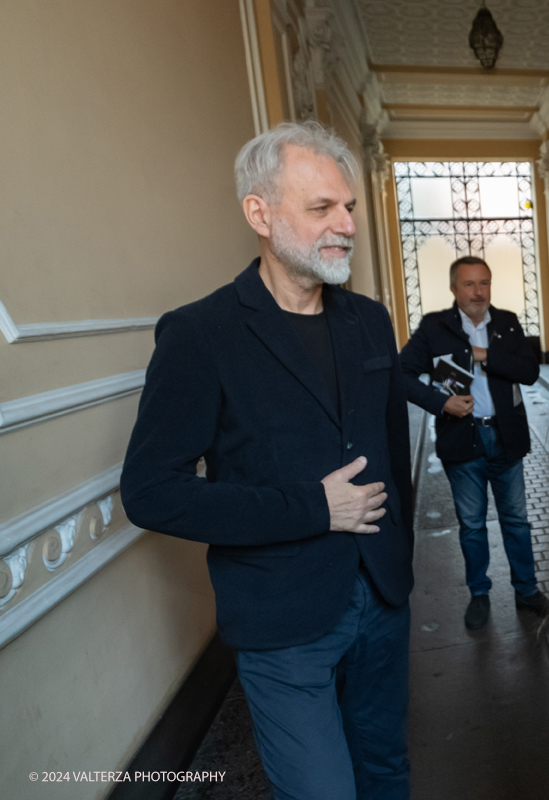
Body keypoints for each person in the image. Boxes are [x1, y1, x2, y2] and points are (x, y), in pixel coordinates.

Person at [121, 121, 415, 800]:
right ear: (260, 212)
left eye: (349, 207)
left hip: (383, 597)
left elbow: (392, 451)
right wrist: (316, 507)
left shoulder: (369, 320)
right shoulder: (200, 334)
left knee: (386, 771)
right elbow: (151, 492)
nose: (345, 224)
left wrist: (399, 563)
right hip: (283, 622)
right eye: (321, 209)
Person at [400, 256, 549, 629]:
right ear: (454, 288)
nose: (477, 292)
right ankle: (479, 594)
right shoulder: (435, 328)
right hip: (461, 440)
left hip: (506, 438)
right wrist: (441, 402)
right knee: (471, 524)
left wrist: (484, 356)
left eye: (484, 283)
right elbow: (400, 374)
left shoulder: (507, 323)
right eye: (469, 284)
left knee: (516, 520)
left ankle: (527, 590)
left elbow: (530, 371)